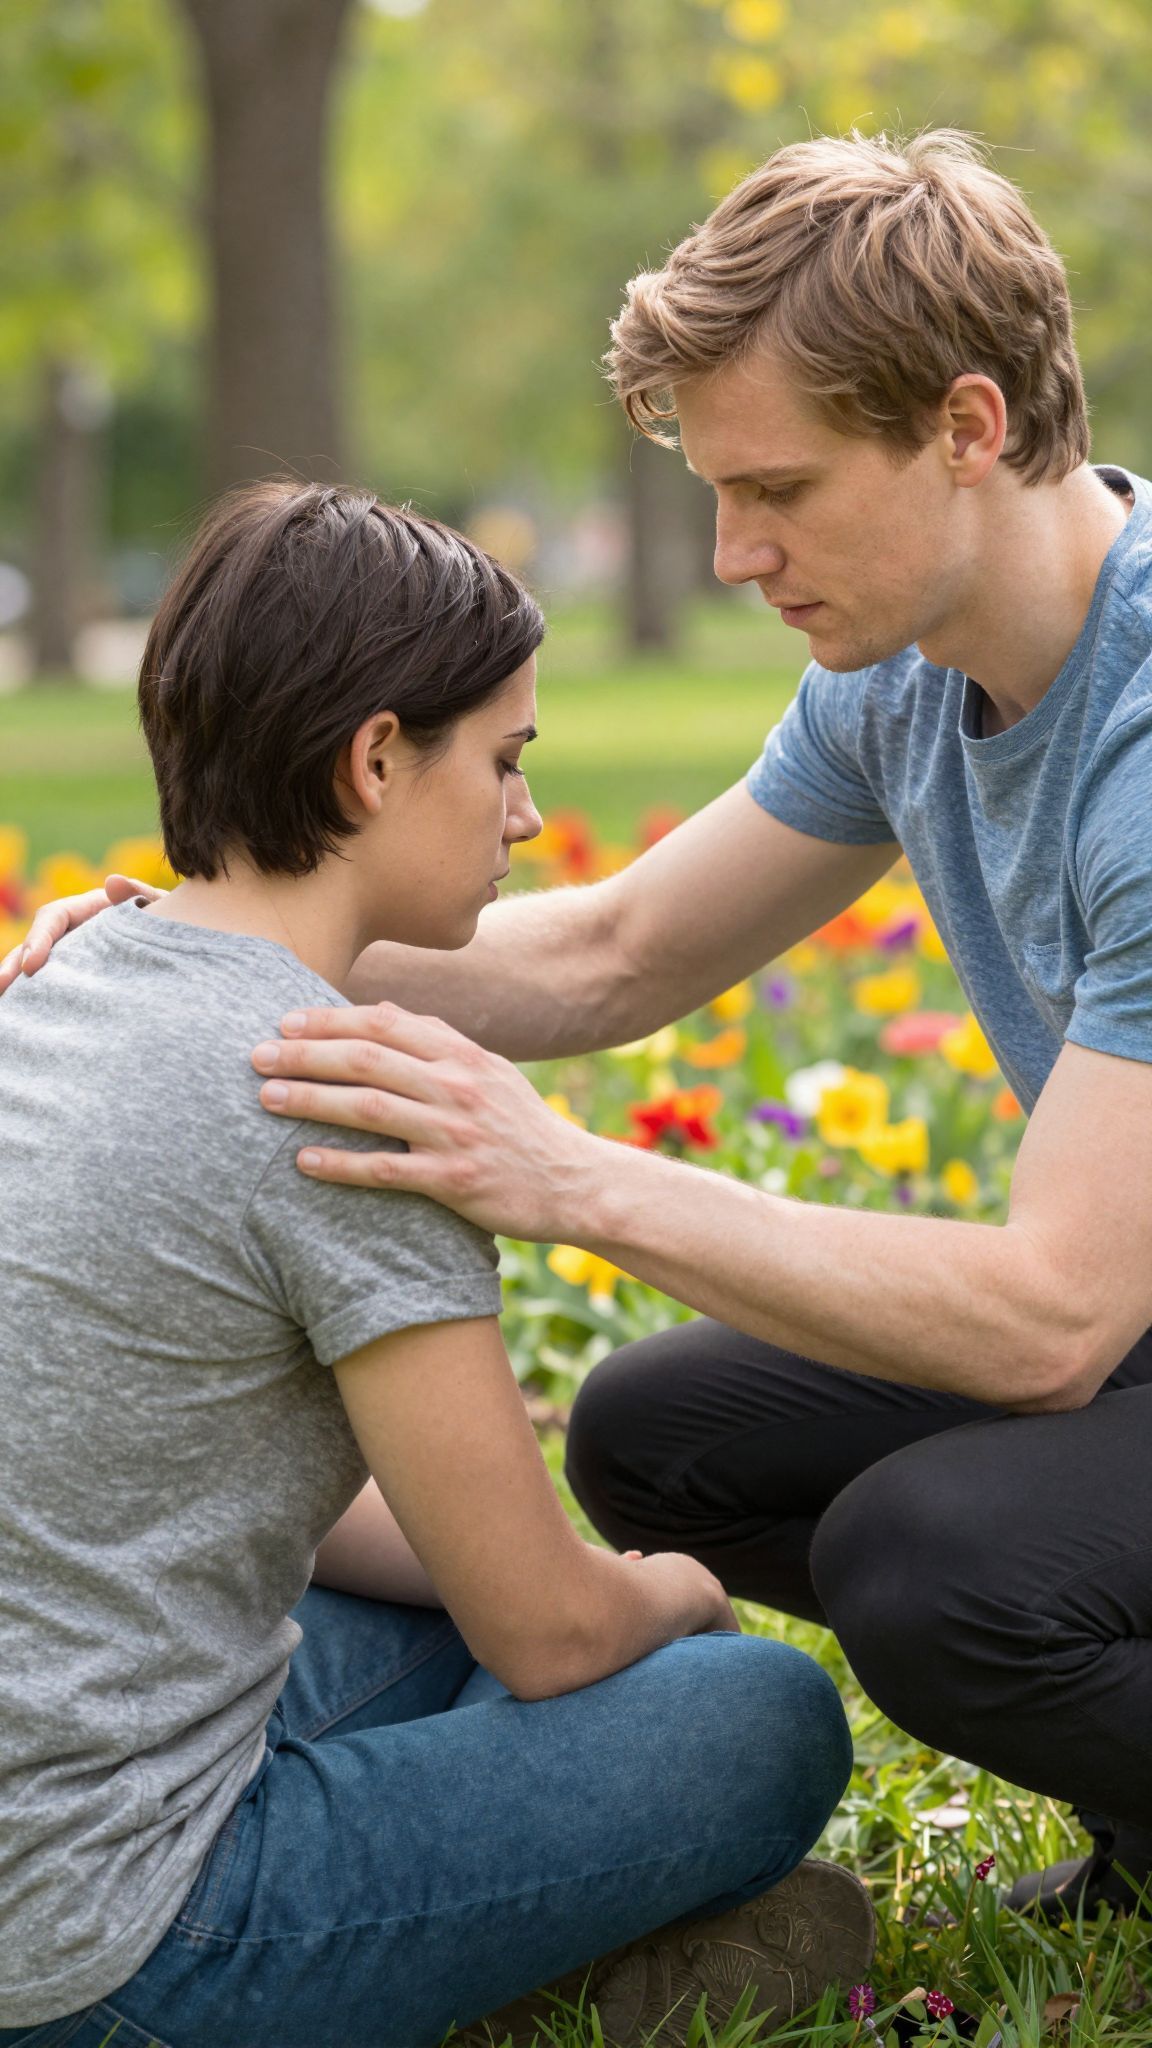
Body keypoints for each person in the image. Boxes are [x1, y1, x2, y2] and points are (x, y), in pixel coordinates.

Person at [13, 125, 1152, 1922]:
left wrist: (570, 1182)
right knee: (656, 1438)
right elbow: (614, 951)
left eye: (775, 489)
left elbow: (1055, 1328)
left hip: (1107, 1316)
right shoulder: (908, 677)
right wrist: (211, 947)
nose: (729, 554)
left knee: (940, 1569)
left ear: (967, 426)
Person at [0, 483, 871, 2048]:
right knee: (760, 1721)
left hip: (51, 1804)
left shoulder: (52, 989)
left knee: (451, 1619)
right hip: (110, 1950)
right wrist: (672, 1590)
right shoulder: (345, 1102)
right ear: (378, 757)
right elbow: (548, 1632)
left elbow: (263, 1496)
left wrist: (542, 1603)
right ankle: (526, 1989)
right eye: (507, 757)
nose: (527, 816)